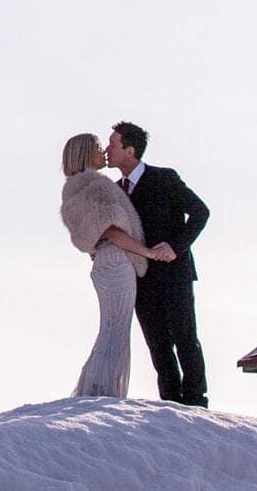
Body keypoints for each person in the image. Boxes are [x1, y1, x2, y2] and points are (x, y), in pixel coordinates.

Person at [60, 133, 174, 398]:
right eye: (100, 147)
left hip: (103, 262)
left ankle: (98, 389)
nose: (104, 152)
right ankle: (102, 393)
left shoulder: (73, 189)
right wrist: (147, 252)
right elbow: (112, 230)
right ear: (88, 153)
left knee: (110, 329)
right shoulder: (96, 186)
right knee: (115, 332)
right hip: (116, 260)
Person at [105, 121, 211, 407]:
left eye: (112, 145)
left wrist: (175, 248)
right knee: (157, 345)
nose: (106, 150)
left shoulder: (165, 178)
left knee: (185, 337)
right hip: (140, 278)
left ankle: (196, 402)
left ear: (130, 150)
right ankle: (170, 403)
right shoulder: (114, 191)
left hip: (175, 275)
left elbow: (201, 212)